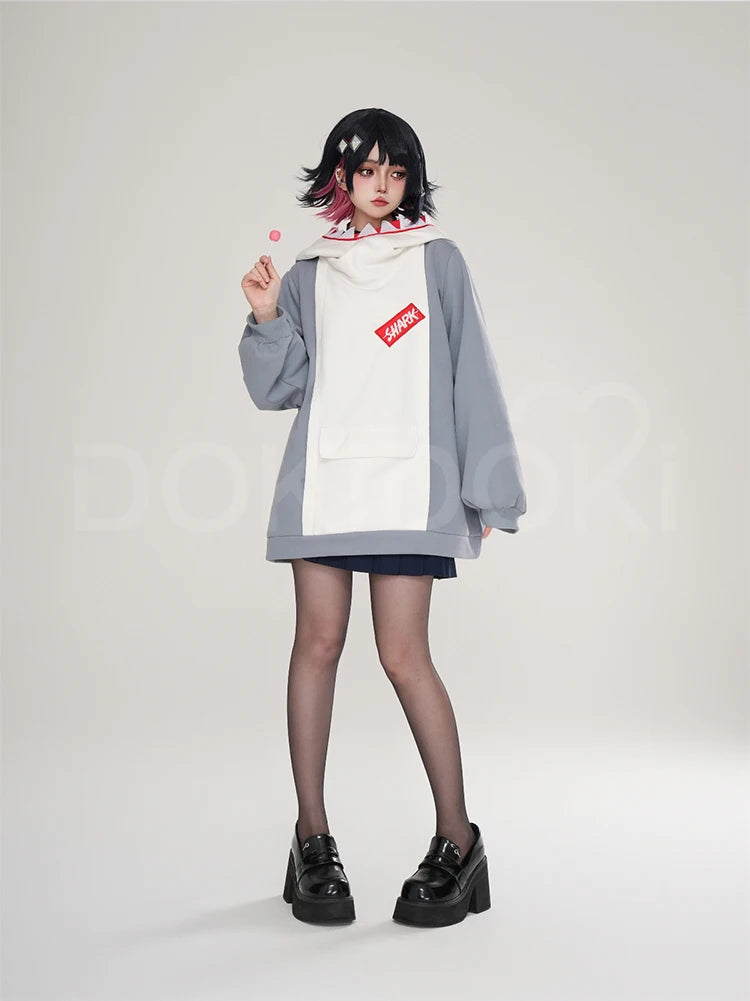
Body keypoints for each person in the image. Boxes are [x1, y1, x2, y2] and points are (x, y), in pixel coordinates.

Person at [238, 108, 527, 927]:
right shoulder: (308, 273)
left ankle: (458, 839)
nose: (381, 184)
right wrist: (267, 314)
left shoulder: (437, 260)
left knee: (404, 656)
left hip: (411, 487)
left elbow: (473, 372)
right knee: (317, 644)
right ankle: (312, 837)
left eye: (396, 172)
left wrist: (490, 486)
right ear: (340, 176)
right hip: (323, 487)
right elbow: (278, 388)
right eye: (366, 169)